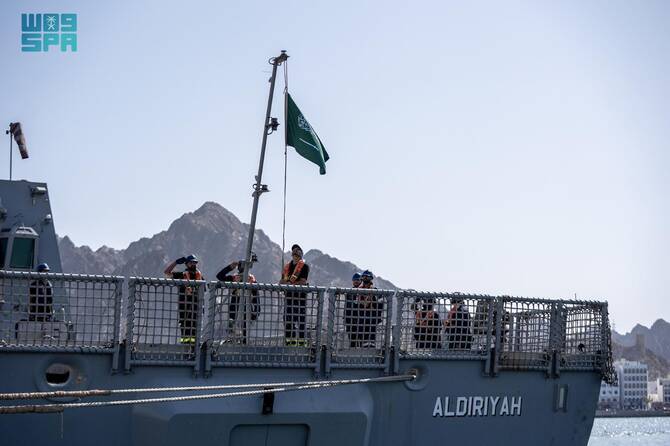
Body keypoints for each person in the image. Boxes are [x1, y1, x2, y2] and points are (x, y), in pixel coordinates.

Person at [216, 260, 259, 344]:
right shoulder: (234, 278)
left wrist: (256, 311)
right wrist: (230, 267)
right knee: (232, 325)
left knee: (244, 327)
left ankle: (243, 342)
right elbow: (220, 276)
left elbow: (256, 297)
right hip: (235, 307)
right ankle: (233, 340)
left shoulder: (251, 280)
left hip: (246, 307)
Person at [164, 254, 203, 344]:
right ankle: (185, 346)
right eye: (191, 263)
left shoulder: (199, 276)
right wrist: (176, 263)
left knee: (195, 326)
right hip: (184, 306)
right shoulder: (182, 275)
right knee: (185, 326)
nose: (193, 264)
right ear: (186, 264)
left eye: (194, 263)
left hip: (196, 306)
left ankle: (193, 346)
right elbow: (167, 272)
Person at [280, 244, 310, 346]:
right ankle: (290, 344)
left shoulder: (304, 266)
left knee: (301, 323)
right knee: (288, 323)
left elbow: (303, 281)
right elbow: (282, 281)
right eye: (294, 252)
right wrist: (286, 284)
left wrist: (290, 284)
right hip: (289, 299)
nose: (295, 254)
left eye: (297, 252)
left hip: (300, 299)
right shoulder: (287, 267)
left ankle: (301, 345)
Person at [358, 270, 383, 348]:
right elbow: (357, 302)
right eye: (364, 277)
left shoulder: (375, 291)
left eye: (367, 277)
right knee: (362, 329)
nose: (365, 279)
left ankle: (371, 343)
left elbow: (380, 304)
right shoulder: (359, 290)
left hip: (372, 315)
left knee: (372, 329)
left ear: (370, 279)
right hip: (362, 315)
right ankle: (363, 343)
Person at [344, 272, 362, 347]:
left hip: (360, 319)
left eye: (357, 280)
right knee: (352, 340)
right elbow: (347, 305)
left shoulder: (363, 291)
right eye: (354, 280)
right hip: (350, 319)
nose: (356, 281)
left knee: (361, 339)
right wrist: (345, 317)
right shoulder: (350, 292)